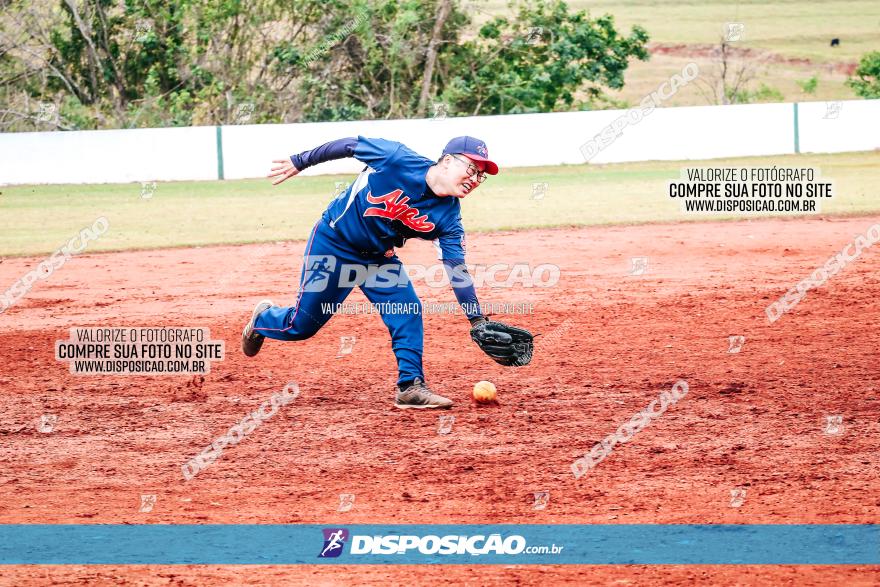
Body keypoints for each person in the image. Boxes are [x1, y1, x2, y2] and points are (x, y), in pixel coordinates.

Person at [241, 135, 500, 409]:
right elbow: (349, 145)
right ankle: (262, 319)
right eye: (472, 169)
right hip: (333, 244)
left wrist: (476, 320)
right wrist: (300, 161)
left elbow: (456, 270)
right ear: (447, 162)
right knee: (301, 326)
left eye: (481, 176)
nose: (475, 179)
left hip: (378, 260)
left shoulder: (449, 218)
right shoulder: (396, 158)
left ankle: (410, 386)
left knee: (408, 309)